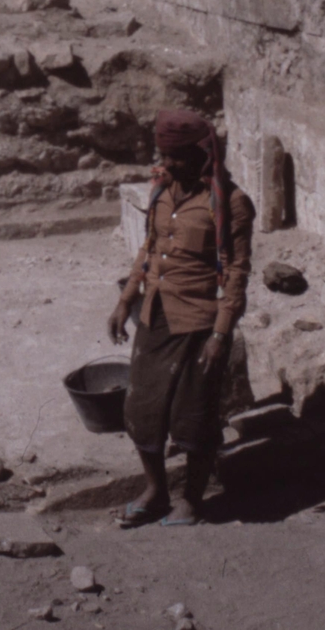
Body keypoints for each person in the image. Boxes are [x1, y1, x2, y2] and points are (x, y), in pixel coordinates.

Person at [109, 109, 254, 528]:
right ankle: (155, 491)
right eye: (164, 155)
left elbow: (237, 273)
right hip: (156, 315)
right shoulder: (161, 190)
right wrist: (125, 301)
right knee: (140, 409)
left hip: (198, 324)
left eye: (176, 157)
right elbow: (149, 250)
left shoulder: (232, 204)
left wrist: (220, 335)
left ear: (202, 155)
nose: (167, 163)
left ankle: (190, 499)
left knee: (192, 418)